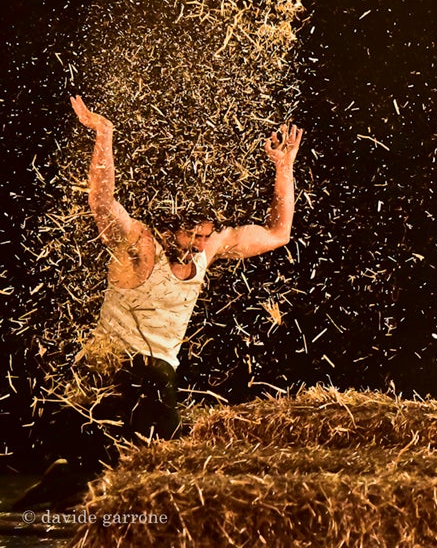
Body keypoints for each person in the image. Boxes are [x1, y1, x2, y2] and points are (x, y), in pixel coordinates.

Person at [14, 95, 303, 508]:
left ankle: (67, 480)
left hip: (156, 376)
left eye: (205, 236)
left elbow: (279, 233)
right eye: (191, 236)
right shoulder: (140, 245)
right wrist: (105, 135)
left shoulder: (209, 246)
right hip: (108, 368)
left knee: (139, 458)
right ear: (170, 227)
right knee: (99, 464)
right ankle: (52, 491)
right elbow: (102, 203)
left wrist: (283, 167)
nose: (198, 245)